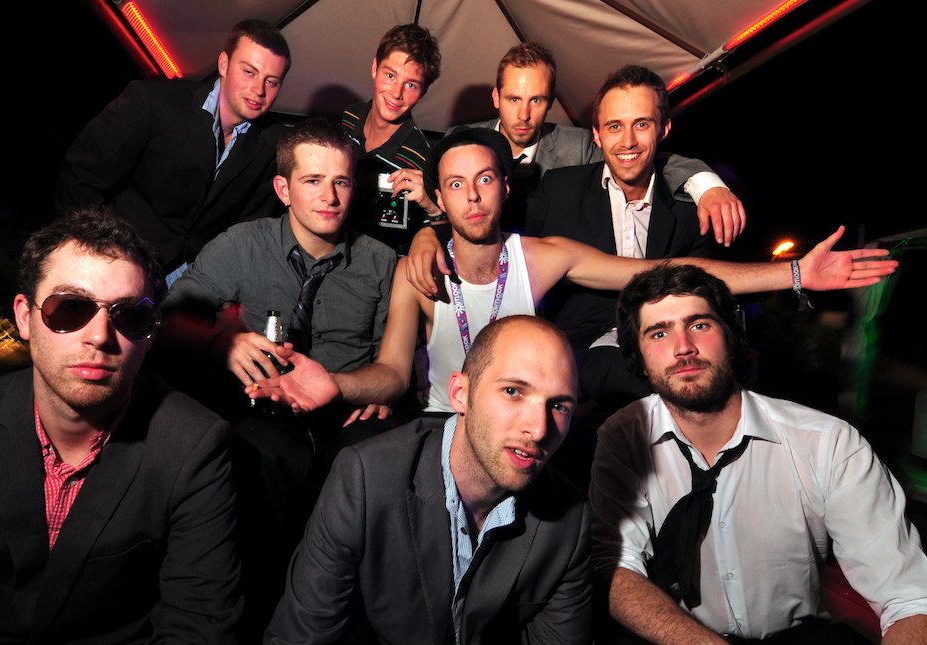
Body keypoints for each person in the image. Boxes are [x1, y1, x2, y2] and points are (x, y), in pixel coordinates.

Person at [249, 127, 896, 427]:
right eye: (456, 185)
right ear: (438, 200)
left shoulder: (544, 256)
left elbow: (668, 273)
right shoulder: (417, 270)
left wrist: (794, 273)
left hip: (526, 435)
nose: (473, 196)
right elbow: (393, 372)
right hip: (443, 429)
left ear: (505, 187)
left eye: (485, 179)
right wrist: (335, 384)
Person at [0, 208, 242, 643]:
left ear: (150, 335)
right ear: (24, 317)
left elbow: (197, 624)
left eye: (129, 315)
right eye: (70, 308)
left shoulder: (193, 446)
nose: (99, 335)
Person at [589, 263, 927, 644]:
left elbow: (909, 598)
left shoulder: (828, 443)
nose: (683, 347)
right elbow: (615, 566)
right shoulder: (623, 438)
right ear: (638, 356)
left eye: (699, 324)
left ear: (731, 335)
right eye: (659, 333)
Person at [154, 116, 398, 642]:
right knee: (255, 459)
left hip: (344, 418)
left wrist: (373, 390)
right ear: (283, 189)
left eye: (341, 181)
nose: (329, 196)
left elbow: (393, 365)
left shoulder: (380, 262)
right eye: (313, 181)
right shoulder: (244, 244)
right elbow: (168, 320)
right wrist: (220, 343)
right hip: (263, 414)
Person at [264, 315, 593, 644]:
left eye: (559, 406)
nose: (538, 429)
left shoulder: (570, 519)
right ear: (460, 393)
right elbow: (300, 637)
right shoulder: (366, 478)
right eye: (513, 391)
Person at [528, 64, 719, 413]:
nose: (628, 141)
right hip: (580, 361)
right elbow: (504, 252)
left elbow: (701, 295)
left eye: (641, 124)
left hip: (667, 346)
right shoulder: (558, 191)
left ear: (664, 129)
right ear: (597, 134)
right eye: (615, 126)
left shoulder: (690, 209)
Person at [55, 19, 291, 285]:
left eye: (272, 82)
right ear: (224, 64)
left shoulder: (273, 141)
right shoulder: (153, 101)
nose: (259, 90)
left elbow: (249, 231)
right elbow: (81, 177)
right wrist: (91, 250)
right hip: (115, 261)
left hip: (191, 281)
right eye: (249, 72)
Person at [446, 42, 744, 243]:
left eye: (536, 100)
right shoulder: (460, 141)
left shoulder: (577, 145)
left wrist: (706, 185)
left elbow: (638, 158)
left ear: (550, 101)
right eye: (514, 99)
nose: (524, 114)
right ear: (496, 97)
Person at [340, 23, 445, 253]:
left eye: (411, 85)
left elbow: (435, 239)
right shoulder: (349, 117)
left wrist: (434, 211)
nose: (397, 93)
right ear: (374, 68)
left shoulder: (422, 160)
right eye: (390, 76)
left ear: (423, 91)